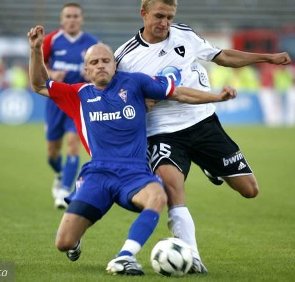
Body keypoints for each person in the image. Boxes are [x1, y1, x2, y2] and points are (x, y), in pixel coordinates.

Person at [28, 25, 236, 275]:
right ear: (87, 70)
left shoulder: (135, 83)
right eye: (94, 62)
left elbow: (178, 93)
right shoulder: (78, 94)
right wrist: (36, 49)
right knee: (63, 243)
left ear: (115, 65)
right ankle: (76, 237)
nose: (101, 65)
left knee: (158, 196)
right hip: (98, 175)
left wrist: (216, 97)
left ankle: (125, 256)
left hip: (135, 174)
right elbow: (40, 84)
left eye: (106, 60)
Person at [114, 0, 292, 274]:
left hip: (204, 124)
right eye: (159, 16)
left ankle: (210, 165)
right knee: (173, 192)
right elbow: (117, 100)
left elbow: (221, 56)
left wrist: (266, 58)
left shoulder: (184, 34)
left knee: (250, 190)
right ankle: (192, 258)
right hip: (163, 133)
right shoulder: (125, 57)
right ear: (144, 13)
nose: (165, 23)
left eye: (169, 17)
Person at [43, 3, 98, 209]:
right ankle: (59, 174)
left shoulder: (92, 43)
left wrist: (90, 74)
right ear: (61, 19)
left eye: (76, 16)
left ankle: (65, 190)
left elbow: (103, 69)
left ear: (81, 19)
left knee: (74, 144)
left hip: (77, 101)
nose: (72, 19)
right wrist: (51, 75)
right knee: (52, 152)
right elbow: (38, 67)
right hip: (55, 102)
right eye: (68, 16)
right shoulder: (51, 41)